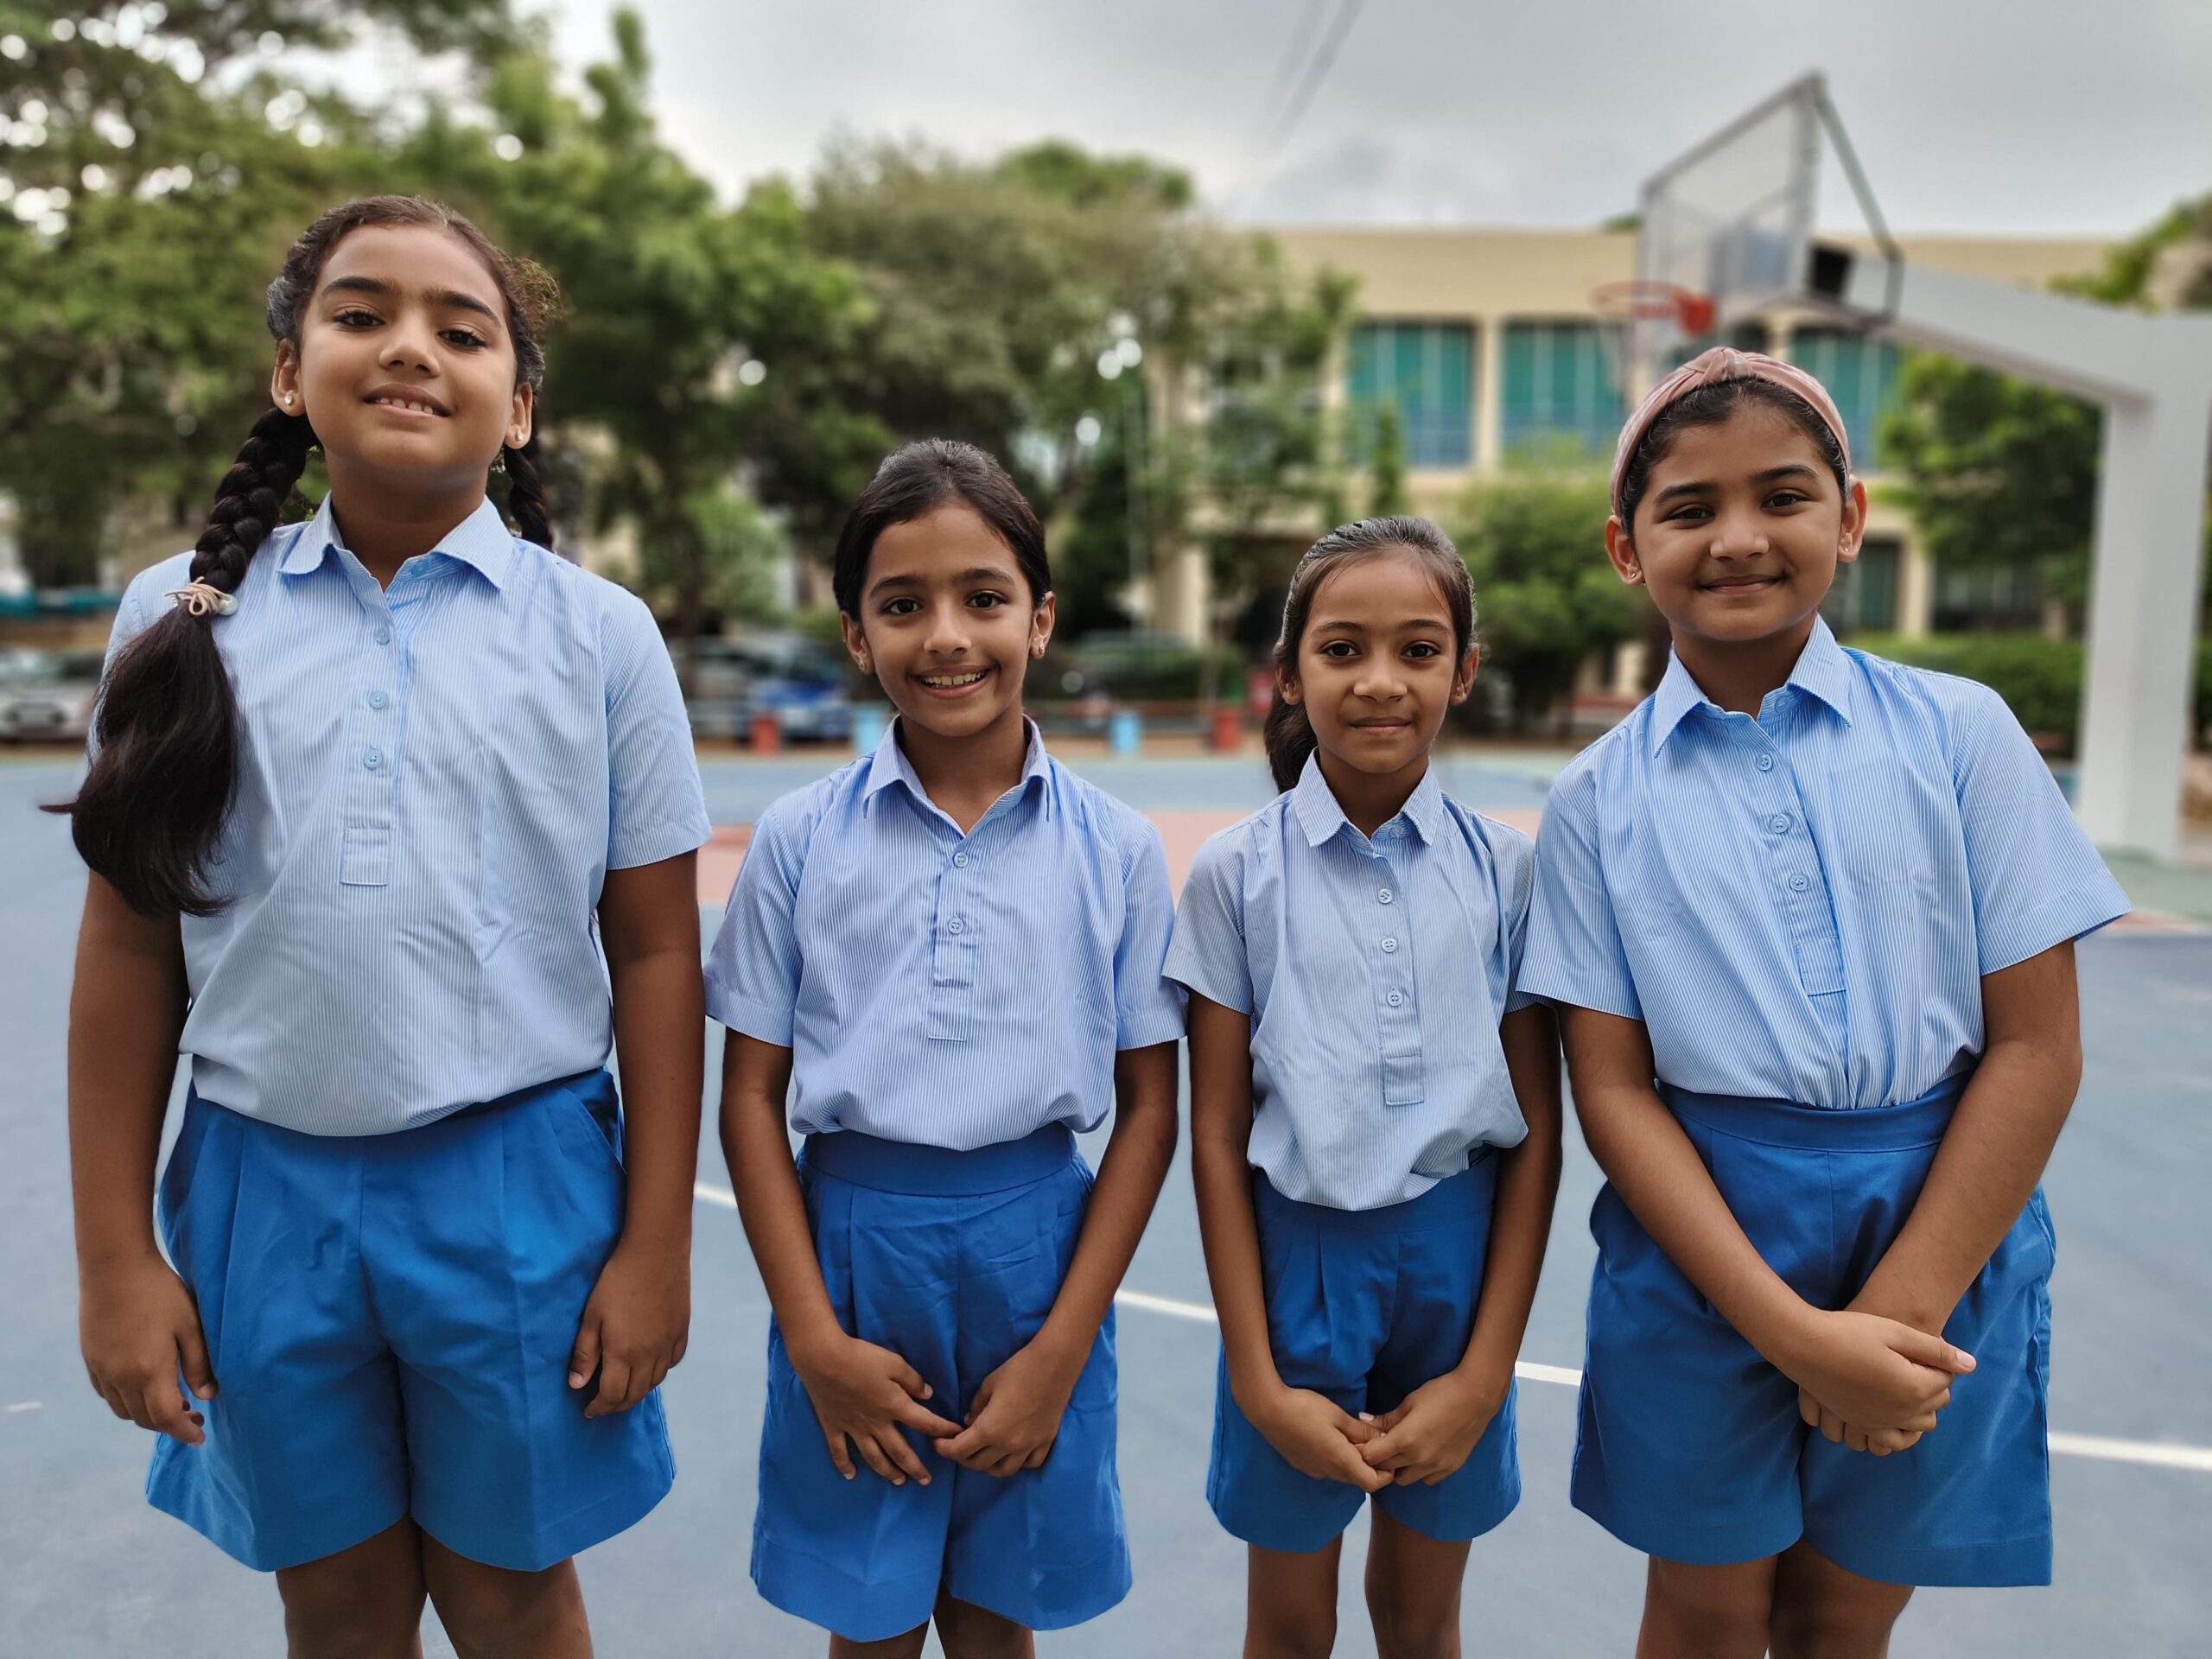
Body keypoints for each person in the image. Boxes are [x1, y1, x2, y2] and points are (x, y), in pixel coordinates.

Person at [59, 196, 709, 1656]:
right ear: (291, 372)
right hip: (259, 1196)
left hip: (517, 1191)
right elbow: (127, 949)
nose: (410, 348)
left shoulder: (597, 636)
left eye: (460, 329)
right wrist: (117, 1254)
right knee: (337, 1598)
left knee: (510, 1593)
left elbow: (660, 953)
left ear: (520, 406)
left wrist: (654, 1240)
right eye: (361, 314)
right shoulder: (182, 615)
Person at [1521, 347, 2131, 1658]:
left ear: (1849, 517)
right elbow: (1615, 1090)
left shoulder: (1962, 735)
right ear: (1628, 548)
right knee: (1704, 1611)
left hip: (1938, 1222)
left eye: (1781, 496)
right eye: (1689, 509)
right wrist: (1789, 1329)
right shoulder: (1594, 803)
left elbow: (2037, 1045)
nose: (1737, 538)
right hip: (1708, 1248)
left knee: (1845, 1614)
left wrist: (1899, 1311)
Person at [709, 440, 1184, 1658]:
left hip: (1040, 1256)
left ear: (1040, 618)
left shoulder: (1117, 849)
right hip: (856, 1252)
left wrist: (1064, 1343)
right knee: (868, 1623)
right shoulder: (802, 839)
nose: (947, 635)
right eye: (902, 605)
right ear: (858, 637)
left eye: (984, 597)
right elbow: (750, 1099)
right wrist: (813, 1335)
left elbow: (1150, 1107)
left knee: (998, 1618)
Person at [1168, 517, 1562, 1659]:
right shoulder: (1236, 876)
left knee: (1423, 1619)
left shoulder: (1508, 872)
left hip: (1457, 1264)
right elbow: (1212, 1134)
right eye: (1342, 650)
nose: (1380, 681)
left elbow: (1535, 1134)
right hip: (1298, 1269)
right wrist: (1254, 1368)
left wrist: (1486, 1370)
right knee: (1289, 1626)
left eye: (1418, 650)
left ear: (1464, 670)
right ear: (1289, 675)